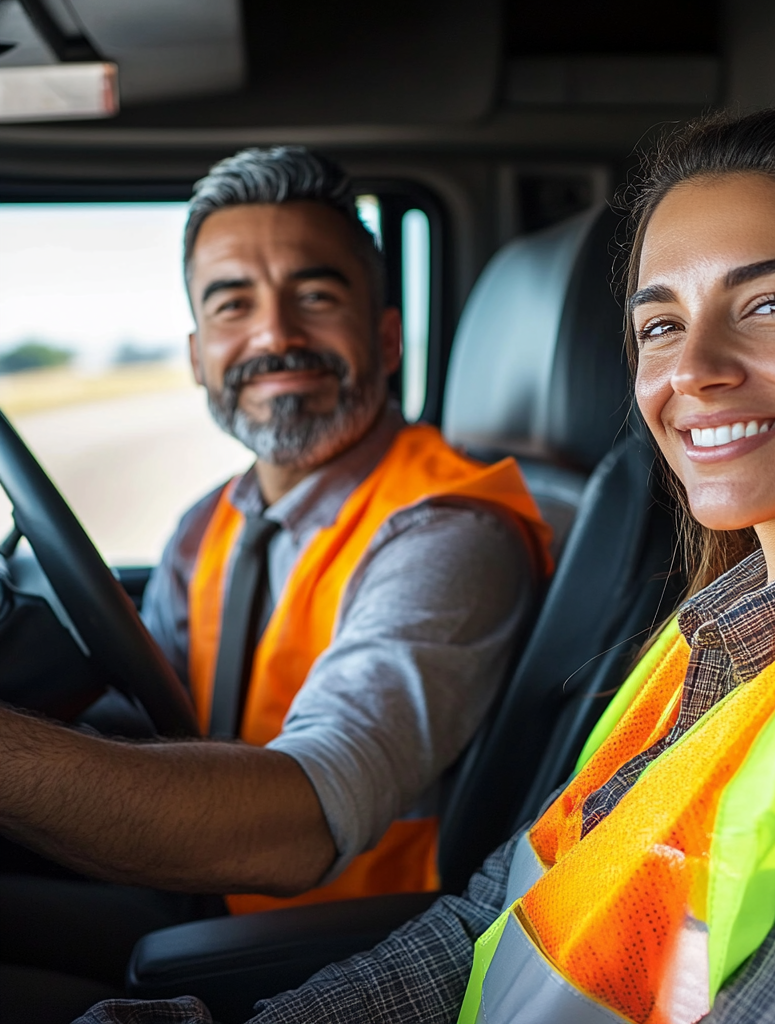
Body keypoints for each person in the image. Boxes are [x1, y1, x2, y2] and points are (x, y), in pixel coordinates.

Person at [79, 107, 775, 1024]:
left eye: (771, 304)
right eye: (659, 325)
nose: (693, 369)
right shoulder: (715, 631)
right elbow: (495, 914)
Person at [0, 147, 550, 997]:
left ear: (387, 335)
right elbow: (157, 706)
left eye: (317, 296)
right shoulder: (210, 522)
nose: (274, 335)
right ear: (195, 354)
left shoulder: (446, 532)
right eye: (232, 305)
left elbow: (303, 825)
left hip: (330, 959)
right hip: (204, 887)